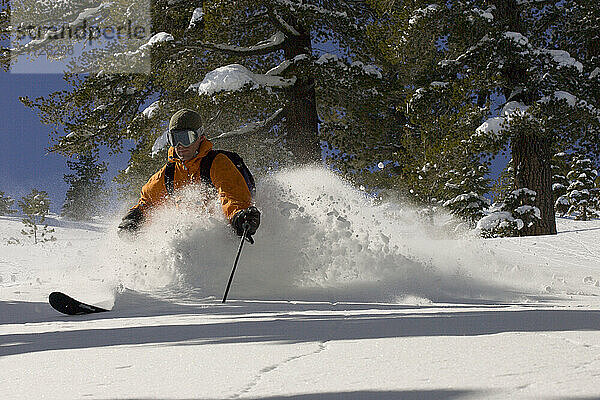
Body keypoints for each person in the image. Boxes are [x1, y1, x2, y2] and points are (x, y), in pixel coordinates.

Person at [118, 108, 261, 242]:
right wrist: (135, 218)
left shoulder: (216, 163)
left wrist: (239, 216)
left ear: (200, 137)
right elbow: (148, 201)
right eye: (174, 139)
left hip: (223, 233)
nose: (179, 145)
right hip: (191, 237)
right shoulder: (170, 172)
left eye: (186, 138)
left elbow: (231, 194)